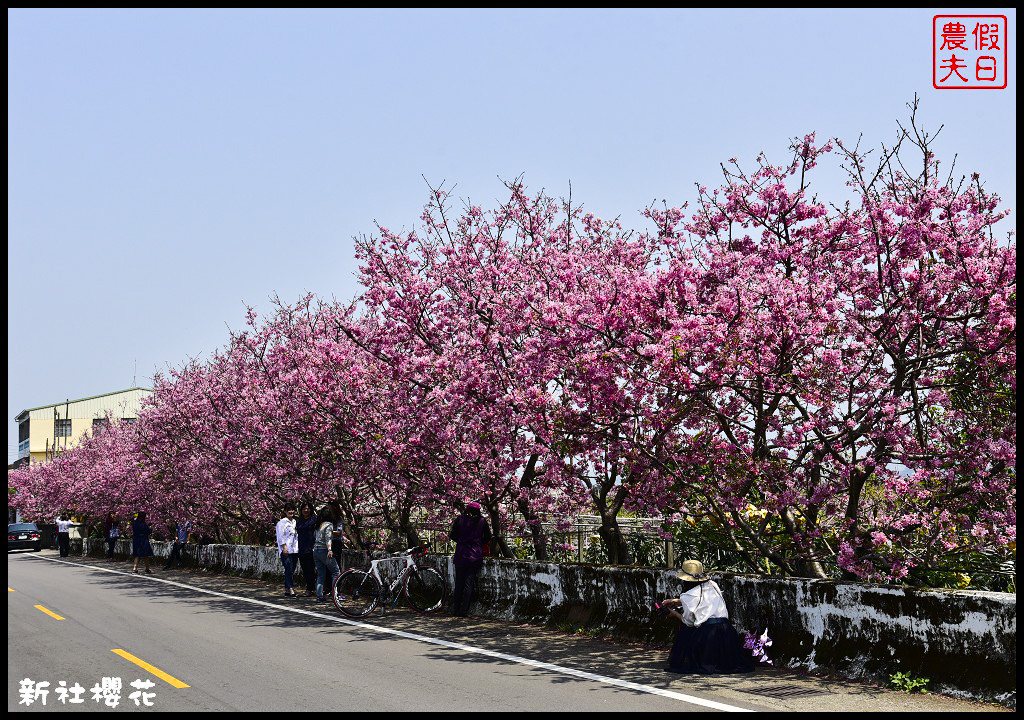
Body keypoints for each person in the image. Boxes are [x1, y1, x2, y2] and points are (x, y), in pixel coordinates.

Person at [659, 559, 753, 674]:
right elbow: (703, 600)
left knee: (686, 631)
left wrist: (674, 613)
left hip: (708, 634)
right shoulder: (712, 585)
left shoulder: (687, 595)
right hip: (727, 631)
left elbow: (688, 622)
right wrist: (676, 602)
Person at [449, 502, 491, 616]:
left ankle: (455, 609)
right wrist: (478, 543)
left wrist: (462, 541)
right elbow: (488, 537)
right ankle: (464, 611)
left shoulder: (460, 519)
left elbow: (452, 535)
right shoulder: (482, 521)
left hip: (461, 554)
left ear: (468, 509)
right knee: (469, 583)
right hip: (475, 556)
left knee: (459, 583)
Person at [313, 504, 342, 603]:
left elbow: (315, 537)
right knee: (336, 572)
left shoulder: (318, 525)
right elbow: (328, 538)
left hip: (316, 550)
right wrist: (330, 550)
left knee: (321, 574)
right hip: (324, 550)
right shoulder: (329, 525)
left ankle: (319, 596)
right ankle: (335, 595)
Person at [275, 503, 299, 597]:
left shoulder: (295, 522)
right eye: (289, 510)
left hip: (295, 549)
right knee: (288, 568)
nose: (291, 511)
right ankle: (291, 588)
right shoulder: (282, 523)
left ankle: (286, 589)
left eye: (293, 509)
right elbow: (280, 536)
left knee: (291, 570)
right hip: (286, 549)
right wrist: (284, 547)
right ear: (285, 511)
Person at [295, 502, 318, 597]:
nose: (306, 510)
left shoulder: (314, 519)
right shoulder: (299, 521)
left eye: (308, 508)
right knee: (305, 569)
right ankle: (310, 588)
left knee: (311, 569)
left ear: (311, 509)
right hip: (301, 548)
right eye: (304, 508)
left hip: (312, 547)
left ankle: (311, 589)